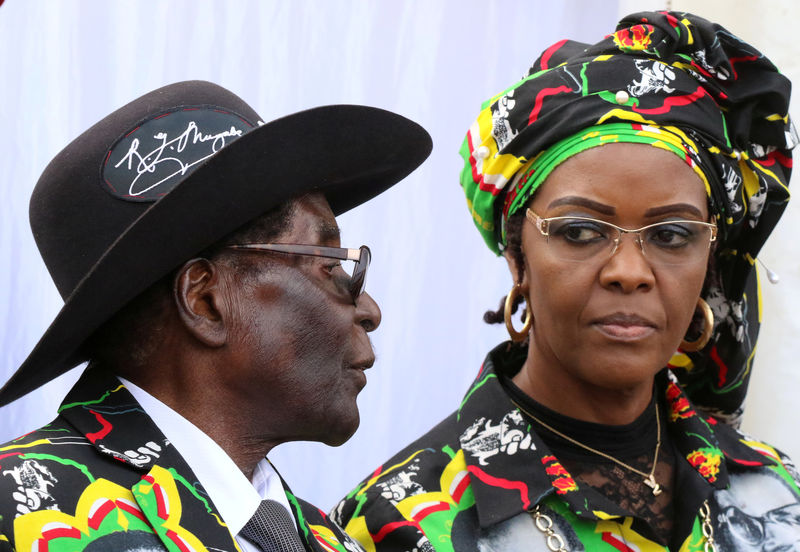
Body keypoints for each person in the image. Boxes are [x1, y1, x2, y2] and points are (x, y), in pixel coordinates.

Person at [332, 11, 800, 551]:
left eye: (672, 235)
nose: (628, 272)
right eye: (580, 231)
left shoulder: (774, 490)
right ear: (517, 257)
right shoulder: (398, 523)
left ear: (709, 259)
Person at [0, 80, 431, 552]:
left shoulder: (335, 543)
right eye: (330, 266)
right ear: (206, 301)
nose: (369, 310)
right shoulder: (20, 514)